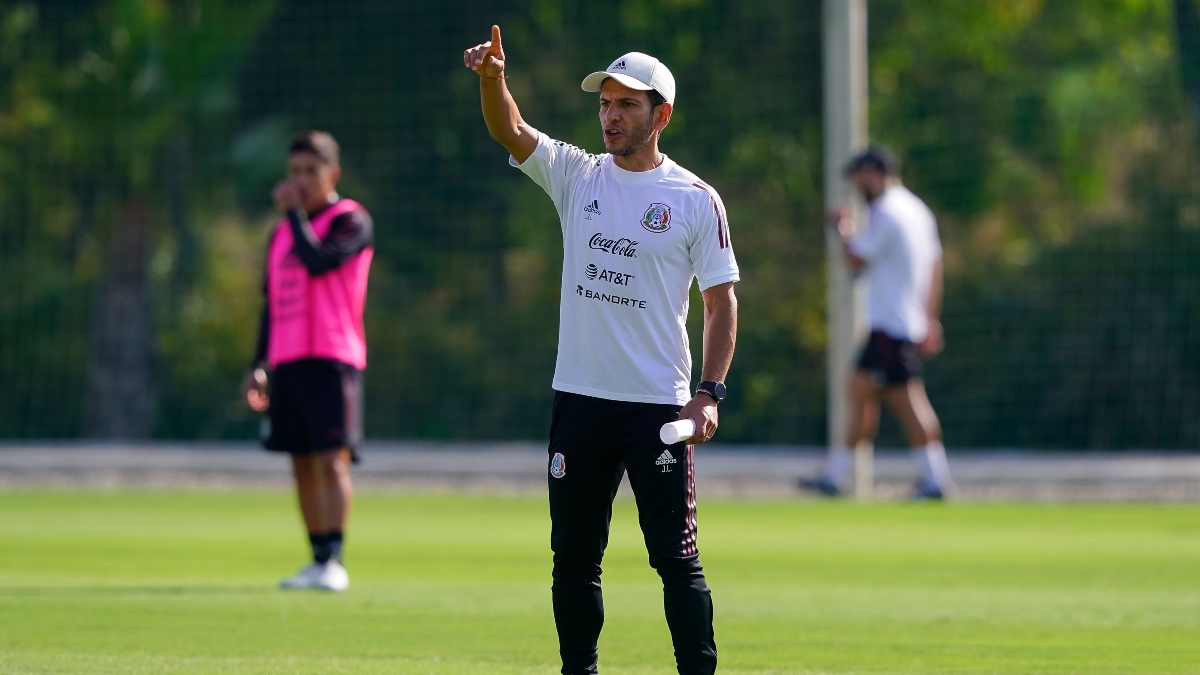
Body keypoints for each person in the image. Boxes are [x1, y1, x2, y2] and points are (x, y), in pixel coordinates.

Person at [464, 26, 738, 675]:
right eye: (605, 103)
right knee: (575, 558)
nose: (610, 116)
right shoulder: (577, 174)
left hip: (656, 408)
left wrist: (710, 392)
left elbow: (722, 302)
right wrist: (491, 79)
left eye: (626, 105)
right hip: (581, 400)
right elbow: (511, 131)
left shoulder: (695, 200)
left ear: (660, 115)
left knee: (675, 558)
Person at [242, 131, 374, 591]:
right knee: (299, 460)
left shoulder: (350, 220)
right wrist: (259, 363)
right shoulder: (281, 232)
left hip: (332, 356)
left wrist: (295, 214)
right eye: (293, 172)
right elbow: (270, 304)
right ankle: (316, 558)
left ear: (332, 174)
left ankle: (335, 559)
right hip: (288, 360)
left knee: (331, 459)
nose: (299, 181)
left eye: (309, 172)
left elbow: (319, 263)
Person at [801, 148, 950, 500]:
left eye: (858, 176)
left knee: (909, 401)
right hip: (901, 321)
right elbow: (935, 268)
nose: (855, 184)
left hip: (890, 324)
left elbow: (855, 260)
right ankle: (833, 476)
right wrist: (929, 318)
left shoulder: (886, 212)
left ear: (875, 173)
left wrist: (842, 229)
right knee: (858, 393)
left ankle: (935, 480)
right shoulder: (917, 209)